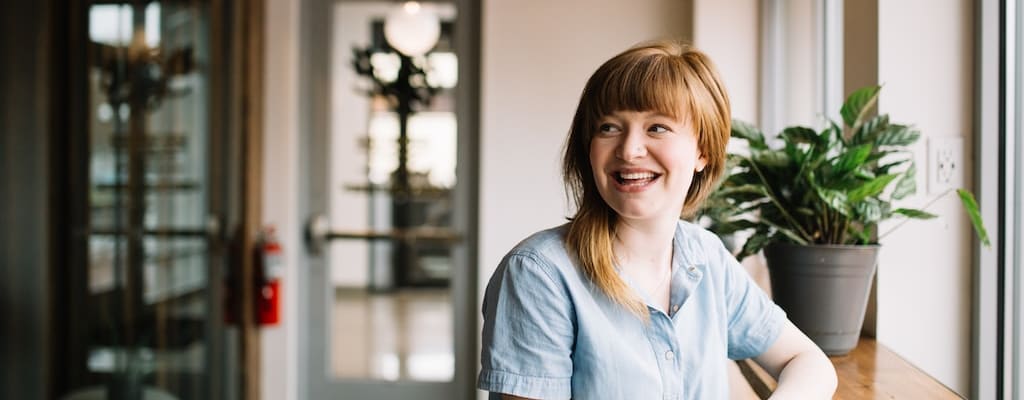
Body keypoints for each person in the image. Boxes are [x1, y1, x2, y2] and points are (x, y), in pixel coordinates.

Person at [477, 40, 838, 400]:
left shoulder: (707, 256)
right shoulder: (539, 273)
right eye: (608, 127)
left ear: (703, 151)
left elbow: (806, 360)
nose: (629, 149)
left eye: (657, 128)